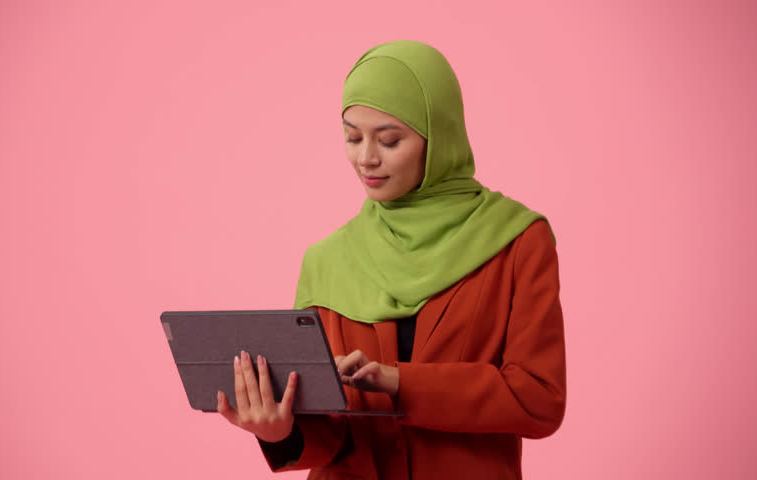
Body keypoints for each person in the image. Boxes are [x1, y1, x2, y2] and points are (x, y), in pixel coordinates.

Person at [216, 39, 566, 479]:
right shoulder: (327, 259)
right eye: (352, 136)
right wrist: (278, 430)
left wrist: (400, 381)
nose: (367, 158)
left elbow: (539, 400)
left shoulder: (517, 241)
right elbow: (330, 434)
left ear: (438, 135)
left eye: (389, 139)